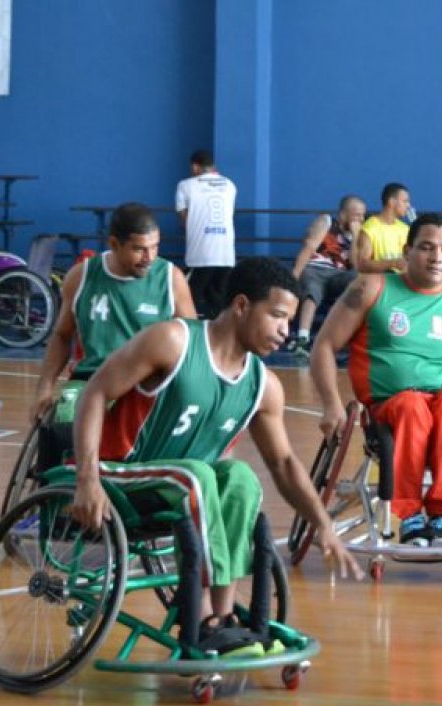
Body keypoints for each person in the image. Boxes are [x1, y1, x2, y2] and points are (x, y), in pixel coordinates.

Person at [71, 257, 362, 656]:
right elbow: (95, 392)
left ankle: (222, 621)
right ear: (241, 305)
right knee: (198, 475)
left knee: (240, 477)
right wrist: (86, 479)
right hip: (119, 476)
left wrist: (322, 524)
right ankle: (204, 615)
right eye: (277, 316)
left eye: (290, 321)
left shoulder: (264, 384)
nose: (285, 331)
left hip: (181, 487)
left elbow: (283, 464)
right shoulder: (172, 341)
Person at [310, 213, 442, 548]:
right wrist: (331, 404)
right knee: (411, 405)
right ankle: (409, 515)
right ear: (406, 253)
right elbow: (323, 346)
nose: (437, 256)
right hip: (388, 406)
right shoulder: (370, 287)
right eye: (426, 247)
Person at [30, 202, 195, 424]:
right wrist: (44, 388)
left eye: (155, 247)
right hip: (91, 380)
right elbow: (61, 336)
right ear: (114, 244)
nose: (149, 257)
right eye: (139, 249)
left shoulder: (170, 278)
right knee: (65, 418)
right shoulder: (81, 276)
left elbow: (193, 346)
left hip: (148, 384)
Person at [287, 194, 367, 354]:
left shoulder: (359, 235)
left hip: (339, 274)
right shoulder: (327, 221)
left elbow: (355, 266)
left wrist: (356, 235)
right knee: (312, 291)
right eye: (357, 214)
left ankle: (347, 340)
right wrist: (293, 278)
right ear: (343, 214)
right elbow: (309, 247)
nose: (361, 219)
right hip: (315, 268)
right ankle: (303, 340)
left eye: (363, 215)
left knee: (360, 281)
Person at [175, 149, 236, 319]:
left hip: (200, 254)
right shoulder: (230, 185)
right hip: (226, 254)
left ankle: (192, 337)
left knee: (188, 298)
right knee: (219, 304)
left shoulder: (185, 186)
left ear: (195, 167)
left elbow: (185, 220)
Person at [354, 182, 411, 274]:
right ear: (391, 201)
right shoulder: (370, 228)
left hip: (403, 282)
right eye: (405, 201)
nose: (408, 205)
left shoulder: (405, 228)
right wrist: (393, 263)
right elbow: (362, 264)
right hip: (381, 283)